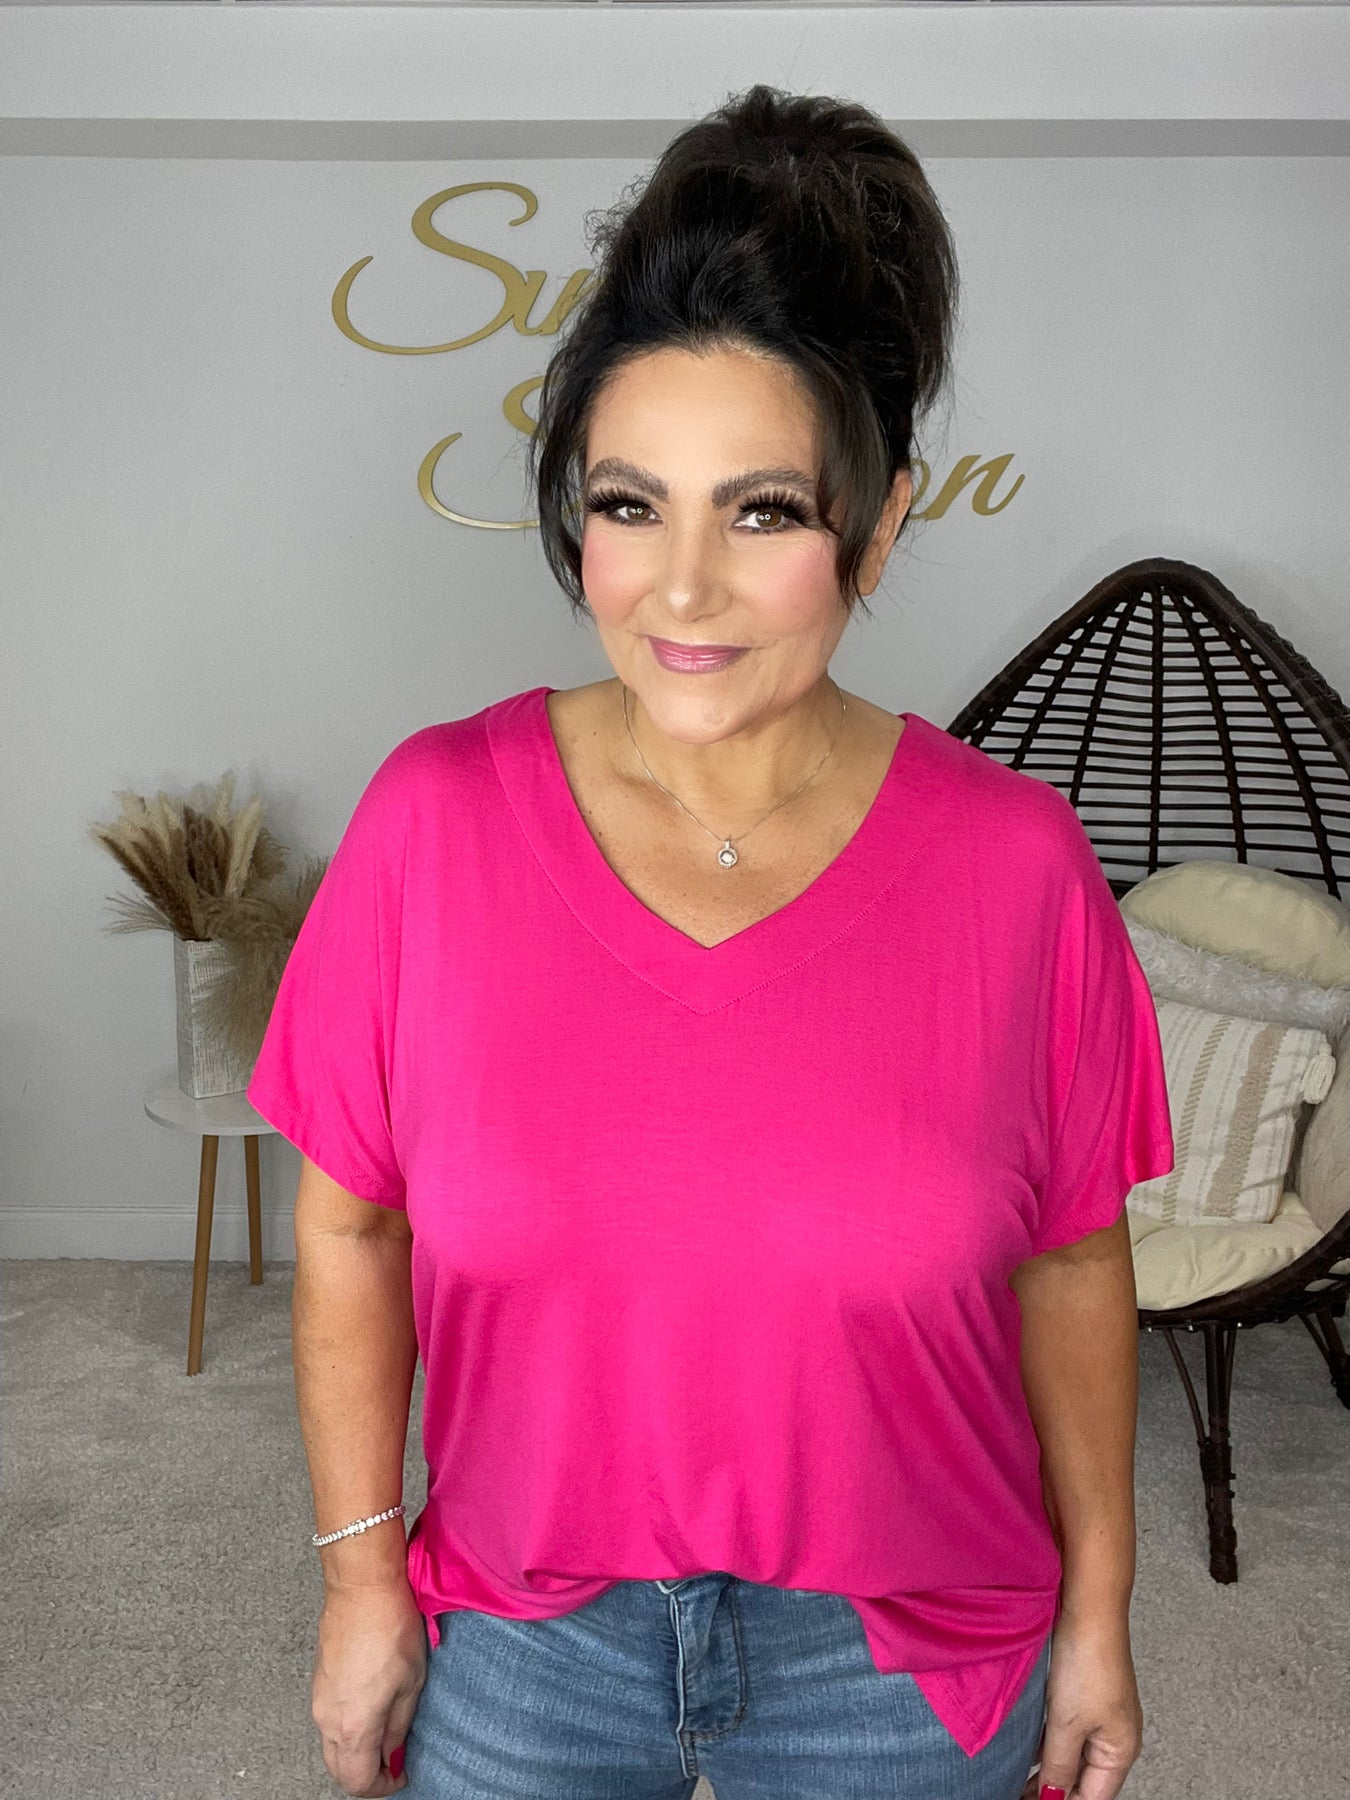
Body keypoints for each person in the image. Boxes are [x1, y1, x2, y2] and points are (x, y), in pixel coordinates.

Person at [247, 83, 1174, 1800]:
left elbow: (1070, 1263)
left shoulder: (1015, 866)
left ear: (876, 526)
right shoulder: (434, 825)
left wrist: (1101, 1614)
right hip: (524, 1638)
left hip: (902, 1660)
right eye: (627, 505)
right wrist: (361, 1584)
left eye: (761, 513)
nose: (680, 589)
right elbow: (348, 1226)